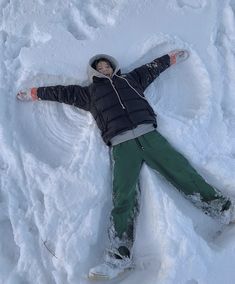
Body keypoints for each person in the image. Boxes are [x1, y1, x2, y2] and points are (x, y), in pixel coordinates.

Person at [17, 50, 234, 280]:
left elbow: (152, 68)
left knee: (182, 171)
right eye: (99, 68)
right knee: (123, 197)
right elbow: (60, 92)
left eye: (106, 66)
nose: (104, 69)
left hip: (150, 136)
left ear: (113, 67)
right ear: (93, 73)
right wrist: (33, 93)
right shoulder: (89, 93)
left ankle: (223, 209)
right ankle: (118, 258)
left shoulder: (131, 80)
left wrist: (170, 58)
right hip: (122, 147)